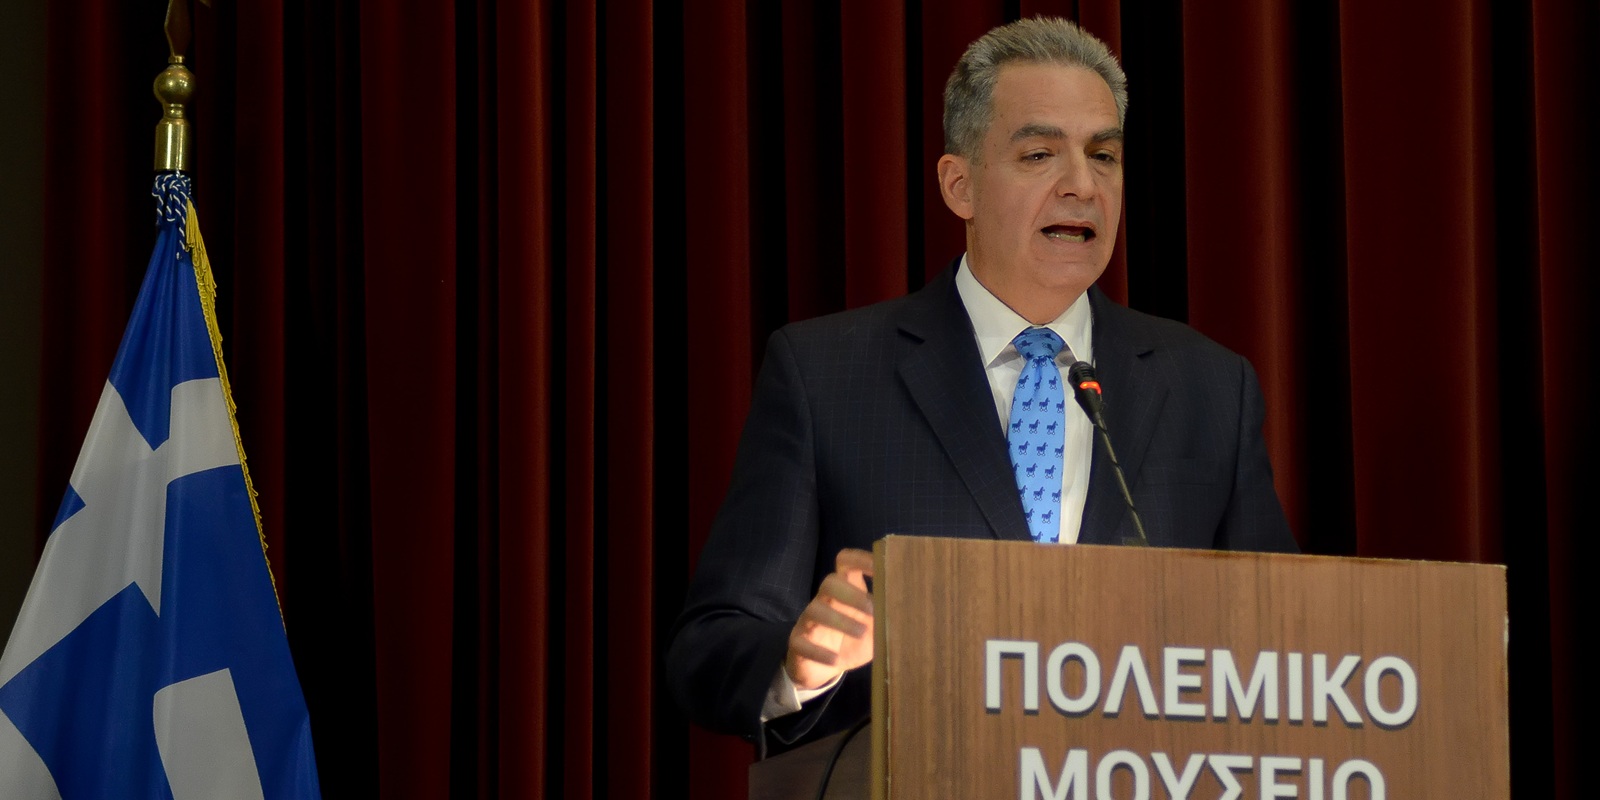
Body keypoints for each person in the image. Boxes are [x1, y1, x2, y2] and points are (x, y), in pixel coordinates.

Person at [666, 16, 1298, 755]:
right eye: (1040, 154)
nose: (1082, 185)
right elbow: (710, 649)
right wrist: (802, 663)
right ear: (959, 185)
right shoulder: (825, 375)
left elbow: (1286, 645)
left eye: (1103, 155)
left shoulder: (1211, 389)